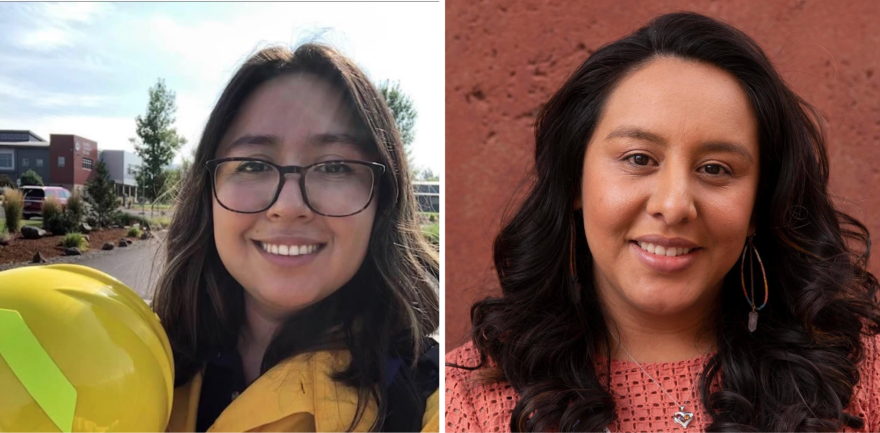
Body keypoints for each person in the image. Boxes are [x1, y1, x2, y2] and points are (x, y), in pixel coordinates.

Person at [446, 12, 880, 433]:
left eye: (715, 169)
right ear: (573, 180)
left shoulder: (861, 377)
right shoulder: (466, 400)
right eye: (639, 159)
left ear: (759, 205)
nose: (674, 206)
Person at [152, 44, 439, 432]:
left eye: (335, 166)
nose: (288, 205)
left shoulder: (435, 401)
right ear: (208, 194)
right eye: (253, 165)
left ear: (382, 201)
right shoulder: (126, 357)